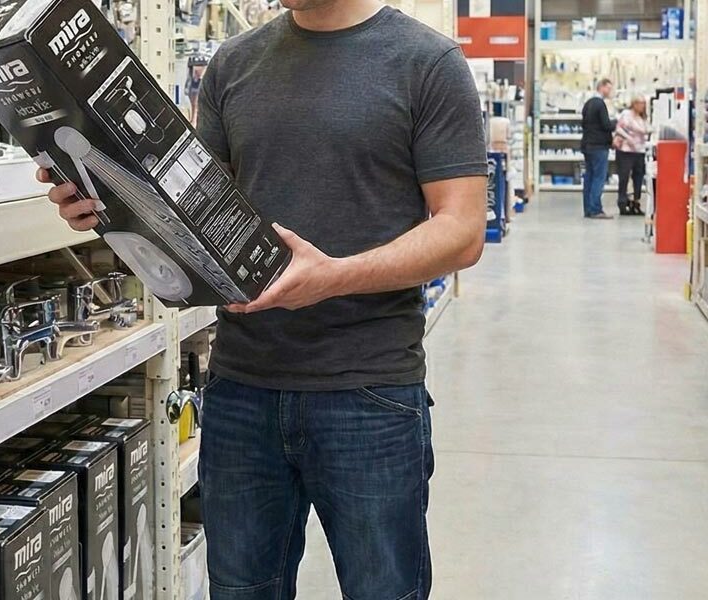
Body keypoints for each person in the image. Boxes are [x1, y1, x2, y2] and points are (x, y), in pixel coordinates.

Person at [37, 0, 487, 597]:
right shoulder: (233, 64)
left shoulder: (428, 63)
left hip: (370, 392)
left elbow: (462, 230)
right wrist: (104, 207)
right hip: (242, 390)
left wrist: (336, 275)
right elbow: (194, 213)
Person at [581, 78, 617, 219]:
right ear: (601, 87)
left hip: (587, 144)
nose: (610, 91)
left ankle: (588, 209)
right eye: (608, 88)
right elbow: (606, 125)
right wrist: (618, 122)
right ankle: (596, 209)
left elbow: (584, 123)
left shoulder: (588, 103)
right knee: (598, 178)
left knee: (589, 177)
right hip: (599, 146)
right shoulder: (600, 104)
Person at [614, 96, 648, 216]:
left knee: (638, 177)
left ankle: (636, 202)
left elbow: (645, 131)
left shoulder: (642, 118)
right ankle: (623, 203)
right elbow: (619, 129)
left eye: (644, 103)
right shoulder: (626, 114)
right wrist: (630, 139)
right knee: (624, 177)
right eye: (640, 103)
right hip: (625, 150)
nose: (642, 106)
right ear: (634, 103)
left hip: (639, 151)